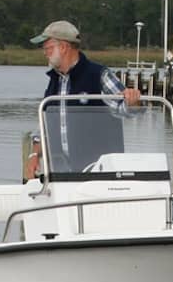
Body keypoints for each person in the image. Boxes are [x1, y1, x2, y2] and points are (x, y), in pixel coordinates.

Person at [25, 20, 141, 180]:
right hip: (62, 172)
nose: (45, 53)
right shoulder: (54, 80)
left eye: (48, 48)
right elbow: (44, 124)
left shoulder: (99, 75)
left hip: (99, 172)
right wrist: (33, 154)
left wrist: (132, 100)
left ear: (64, 47)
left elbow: (125, 110)